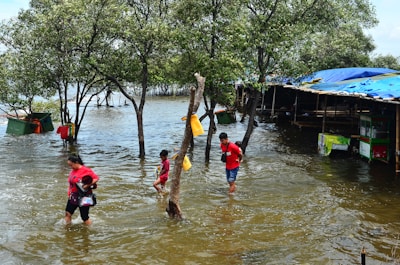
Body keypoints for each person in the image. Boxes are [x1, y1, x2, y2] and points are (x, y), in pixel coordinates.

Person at [65, 154, 99, 225]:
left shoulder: (86, 170)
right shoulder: (73, 170)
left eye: (71, 165)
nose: (70, 167)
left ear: (76, 162)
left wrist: (87, 185)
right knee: (68, 213)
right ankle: (67, 230)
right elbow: (71, 184)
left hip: (85, 196)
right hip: (73, 195)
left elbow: (96, 178)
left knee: (84, 217)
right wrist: (69, 193)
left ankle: (89, 230)